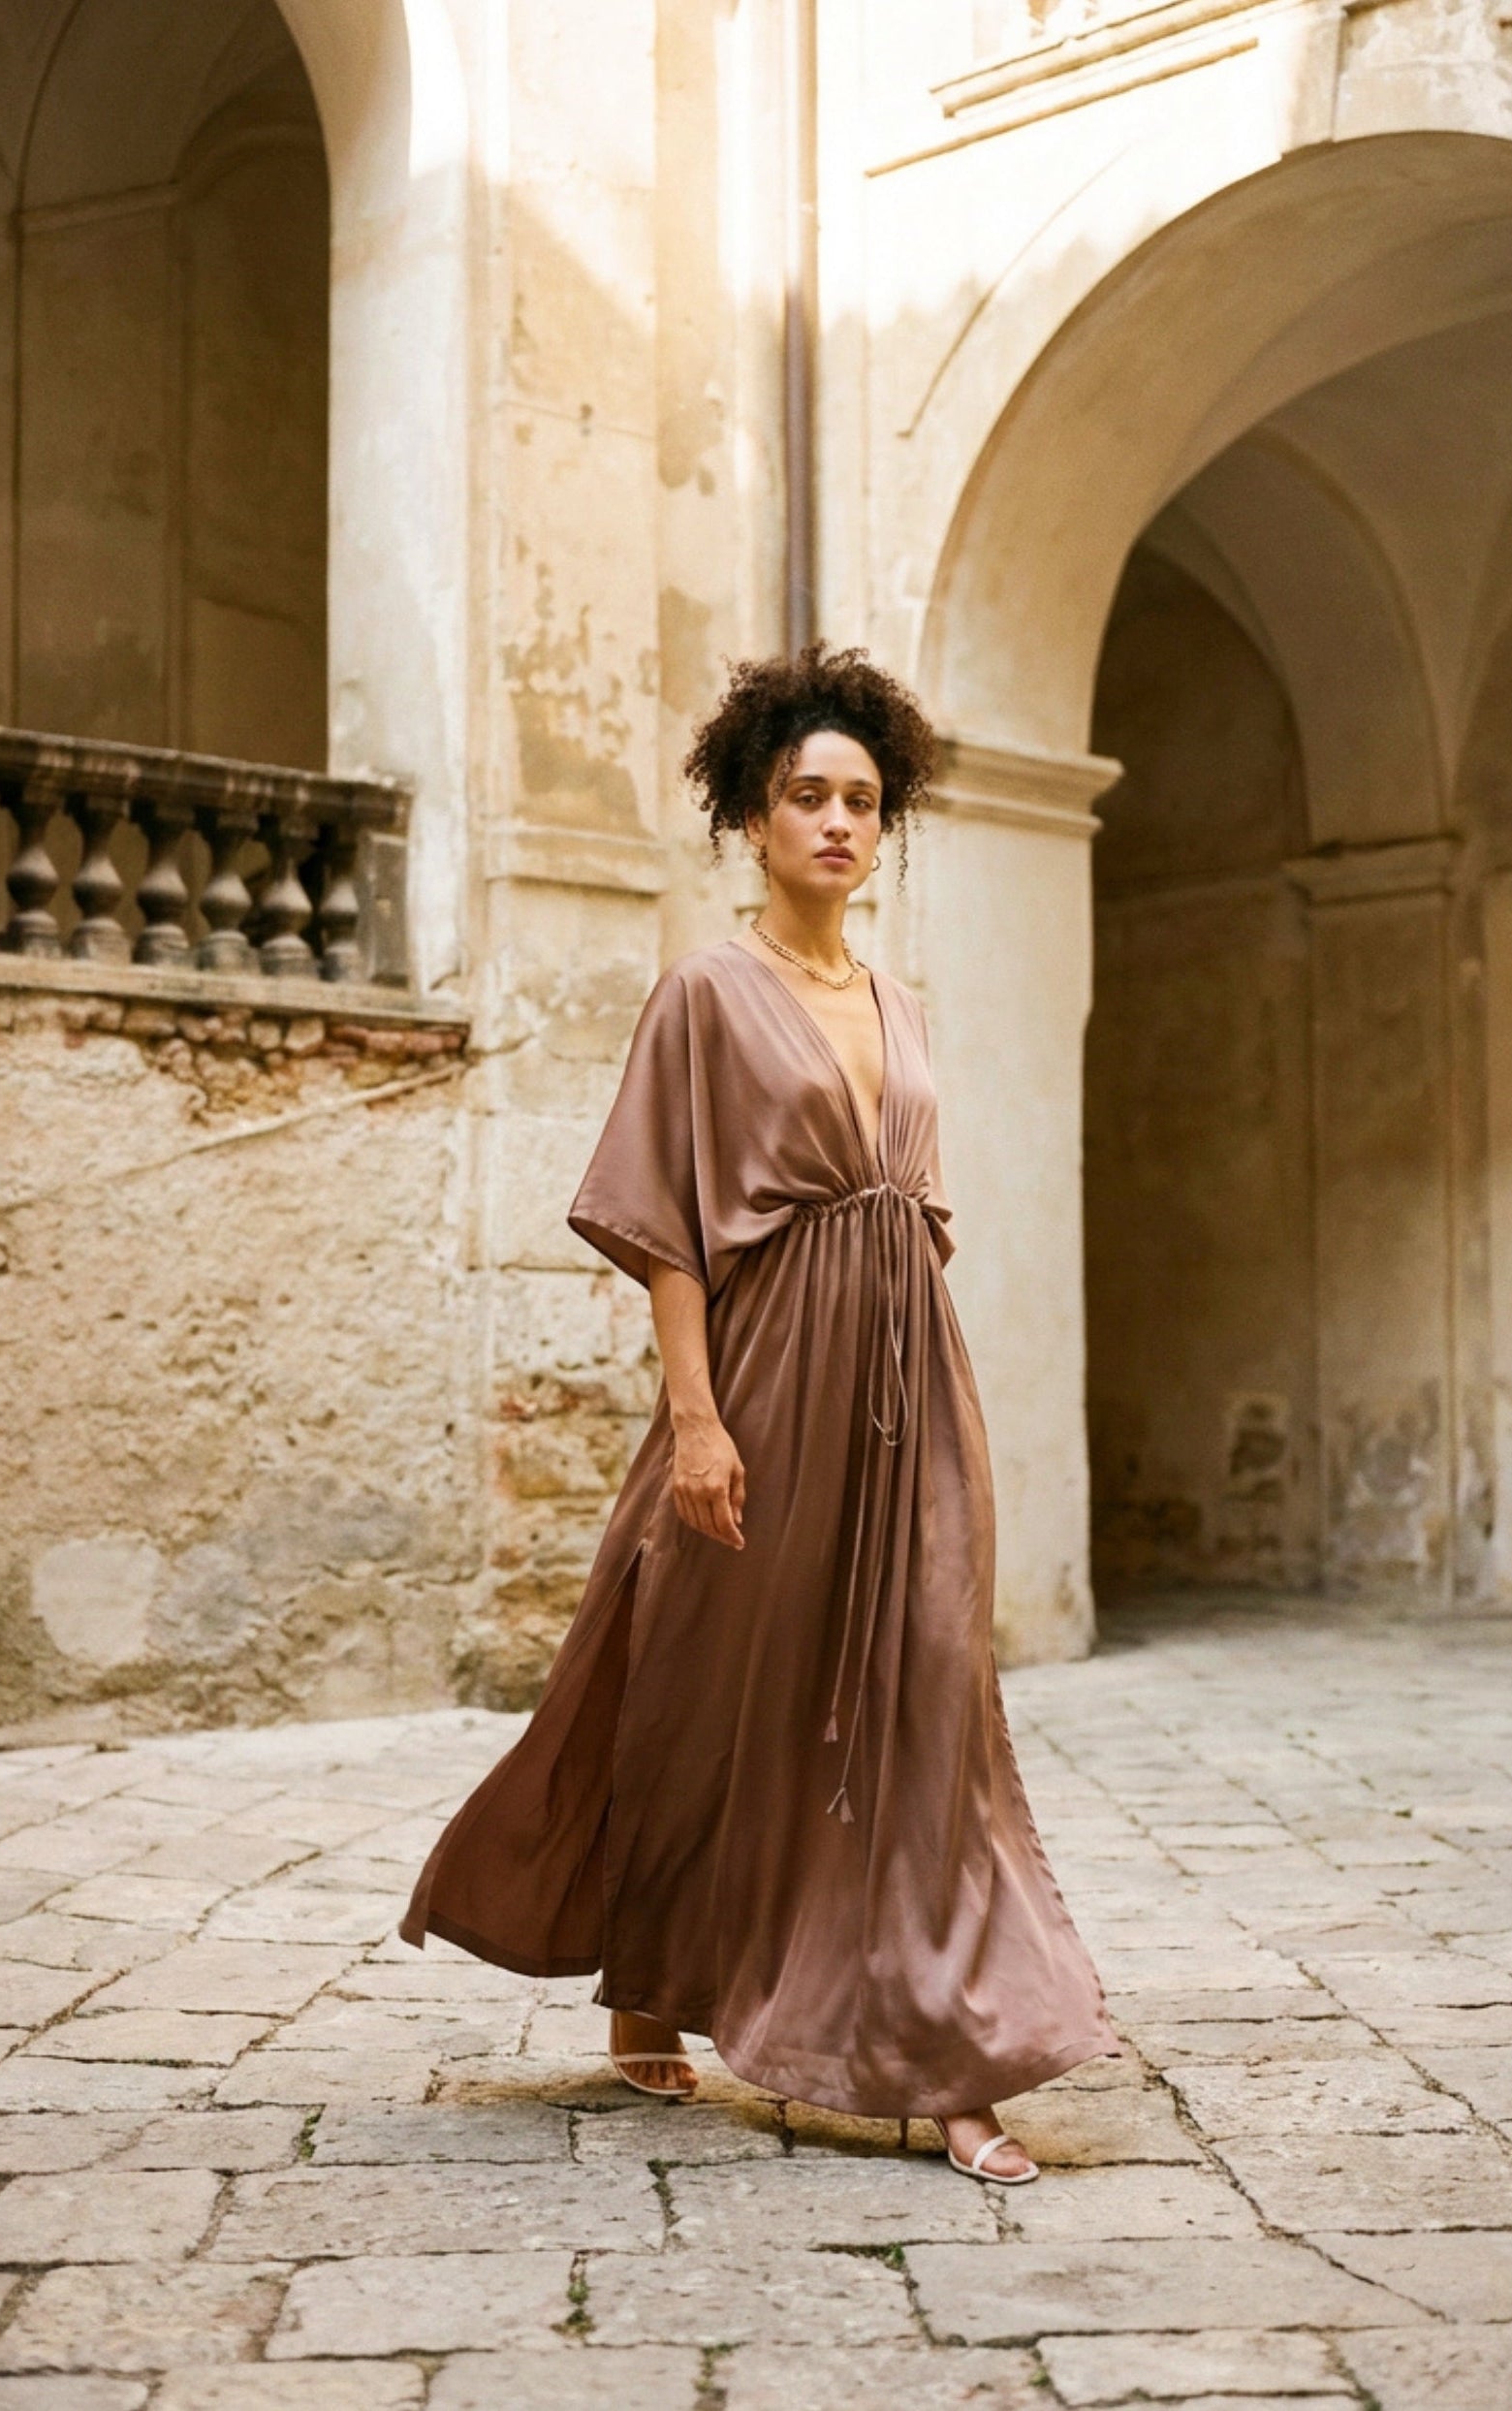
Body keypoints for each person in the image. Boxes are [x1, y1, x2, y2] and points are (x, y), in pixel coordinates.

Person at [401, 644, 1118, 2183]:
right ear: (750, 815)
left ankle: (949, 2063)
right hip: (765, 1379)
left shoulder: (899, 1004)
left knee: (926, 1695)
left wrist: (911, 1369)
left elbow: (912, 1210)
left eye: (861, 799)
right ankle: (652, 1973)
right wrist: (699, 1422)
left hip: (909, 1389)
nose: (837, 822)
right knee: (704, 1683)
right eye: (806, 796)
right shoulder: (705, 995)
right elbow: (664, 1223)